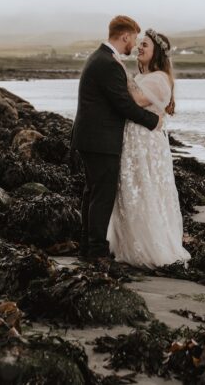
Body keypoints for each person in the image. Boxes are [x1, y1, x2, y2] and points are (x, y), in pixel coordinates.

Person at [71, 15, 161, 261]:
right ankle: (97, 251)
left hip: (90, 138)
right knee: (102, 195)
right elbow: (122, 104)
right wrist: (153, 121)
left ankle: (87, 247)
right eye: (133, 38)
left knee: (92, 193)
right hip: (100, 140)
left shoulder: (99, 58)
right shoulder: (108, 63)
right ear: (125, 36)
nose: (134, 44)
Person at [106, 28, 190, 267]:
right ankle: (128, 243)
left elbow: (138, 100)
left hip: (147, 145)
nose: (139, 48)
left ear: (156, 54)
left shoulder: (161, 78)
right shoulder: (143, 77)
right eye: (139, 43)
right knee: (130, 189)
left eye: (145, 45)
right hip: (133, 142)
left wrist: (121, 71)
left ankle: (151, 247)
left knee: (146, 188)